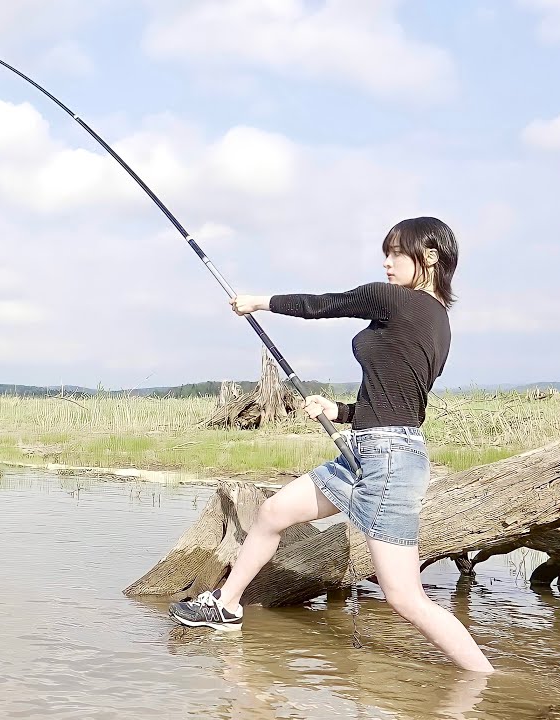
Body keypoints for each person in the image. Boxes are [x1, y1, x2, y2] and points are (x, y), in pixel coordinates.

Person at [168, 216, 495, 673]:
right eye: (386, 253)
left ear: (430, 256)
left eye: (396, 252)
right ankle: (226, 605)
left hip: (388, 460)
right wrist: (339, 411)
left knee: (404, 597)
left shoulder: (395, 300)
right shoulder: (439, 322)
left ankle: (485, 681)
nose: (387, 262)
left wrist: (258, 302)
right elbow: (396, 402)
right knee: (273, 513)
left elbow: (326, 304)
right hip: (374, 450)